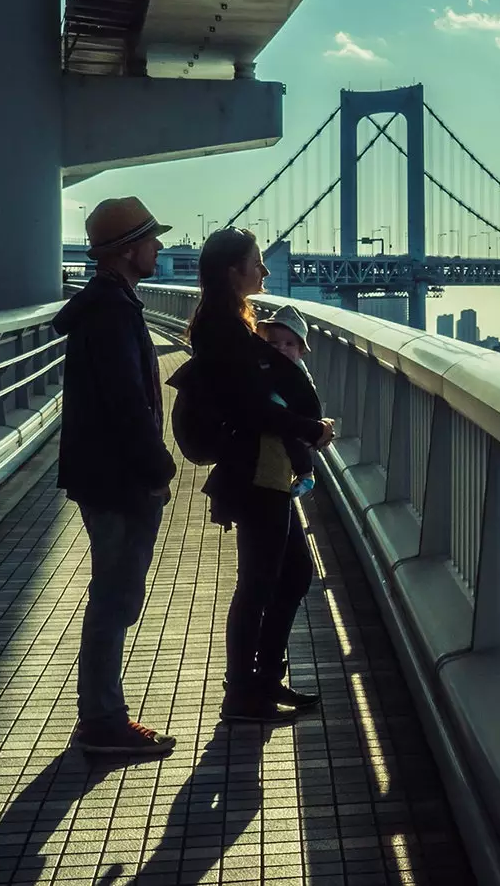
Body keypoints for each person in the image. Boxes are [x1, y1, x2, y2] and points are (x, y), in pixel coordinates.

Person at [185, 227, 334, 725]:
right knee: (259, 582)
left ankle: (264, 680)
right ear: (233, 271)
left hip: (266, 468)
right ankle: (242, 693)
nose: (265, 271)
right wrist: (309, 429)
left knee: (290, 574)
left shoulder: (231, 324)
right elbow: (250, 408)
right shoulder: (224, 331)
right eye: (257, 262)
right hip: (253, 471)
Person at [53, 196, 179, 757]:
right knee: (114, 596)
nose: (160, 248)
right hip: (118, 479)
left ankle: (101, 716)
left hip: (103, 474)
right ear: (129, 250)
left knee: (114, 594)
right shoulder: (111, 313)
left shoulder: (110, 305)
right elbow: (127, 402)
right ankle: (102, 722)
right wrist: (159, 468)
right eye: (152, 240)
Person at [255, 305, 320, 500]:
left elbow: (308, 392)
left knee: (292, 440)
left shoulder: (297, 370)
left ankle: (305, 473)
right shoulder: (264, 365)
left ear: (301, 350)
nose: (281, 348)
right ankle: (304, 474)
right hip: (277, 424)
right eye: (274, 344)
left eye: (289, 344)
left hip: (289, 416)